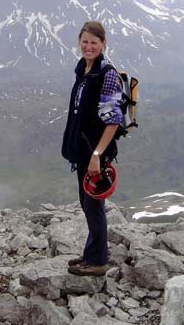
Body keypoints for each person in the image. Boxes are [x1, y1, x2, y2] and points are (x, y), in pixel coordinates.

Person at [61, 20, 124, 276]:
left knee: (94, 205)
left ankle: (98, 261)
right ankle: (92, 254)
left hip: (95, 153)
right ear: (79, 41)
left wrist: (97, 155)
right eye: (85, 42)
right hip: (84, 152)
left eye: (94, 43)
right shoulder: (84, 70)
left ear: (103, 44)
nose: (89, 47)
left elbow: (113, 121)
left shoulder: (107, 75)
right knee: (86, 204)